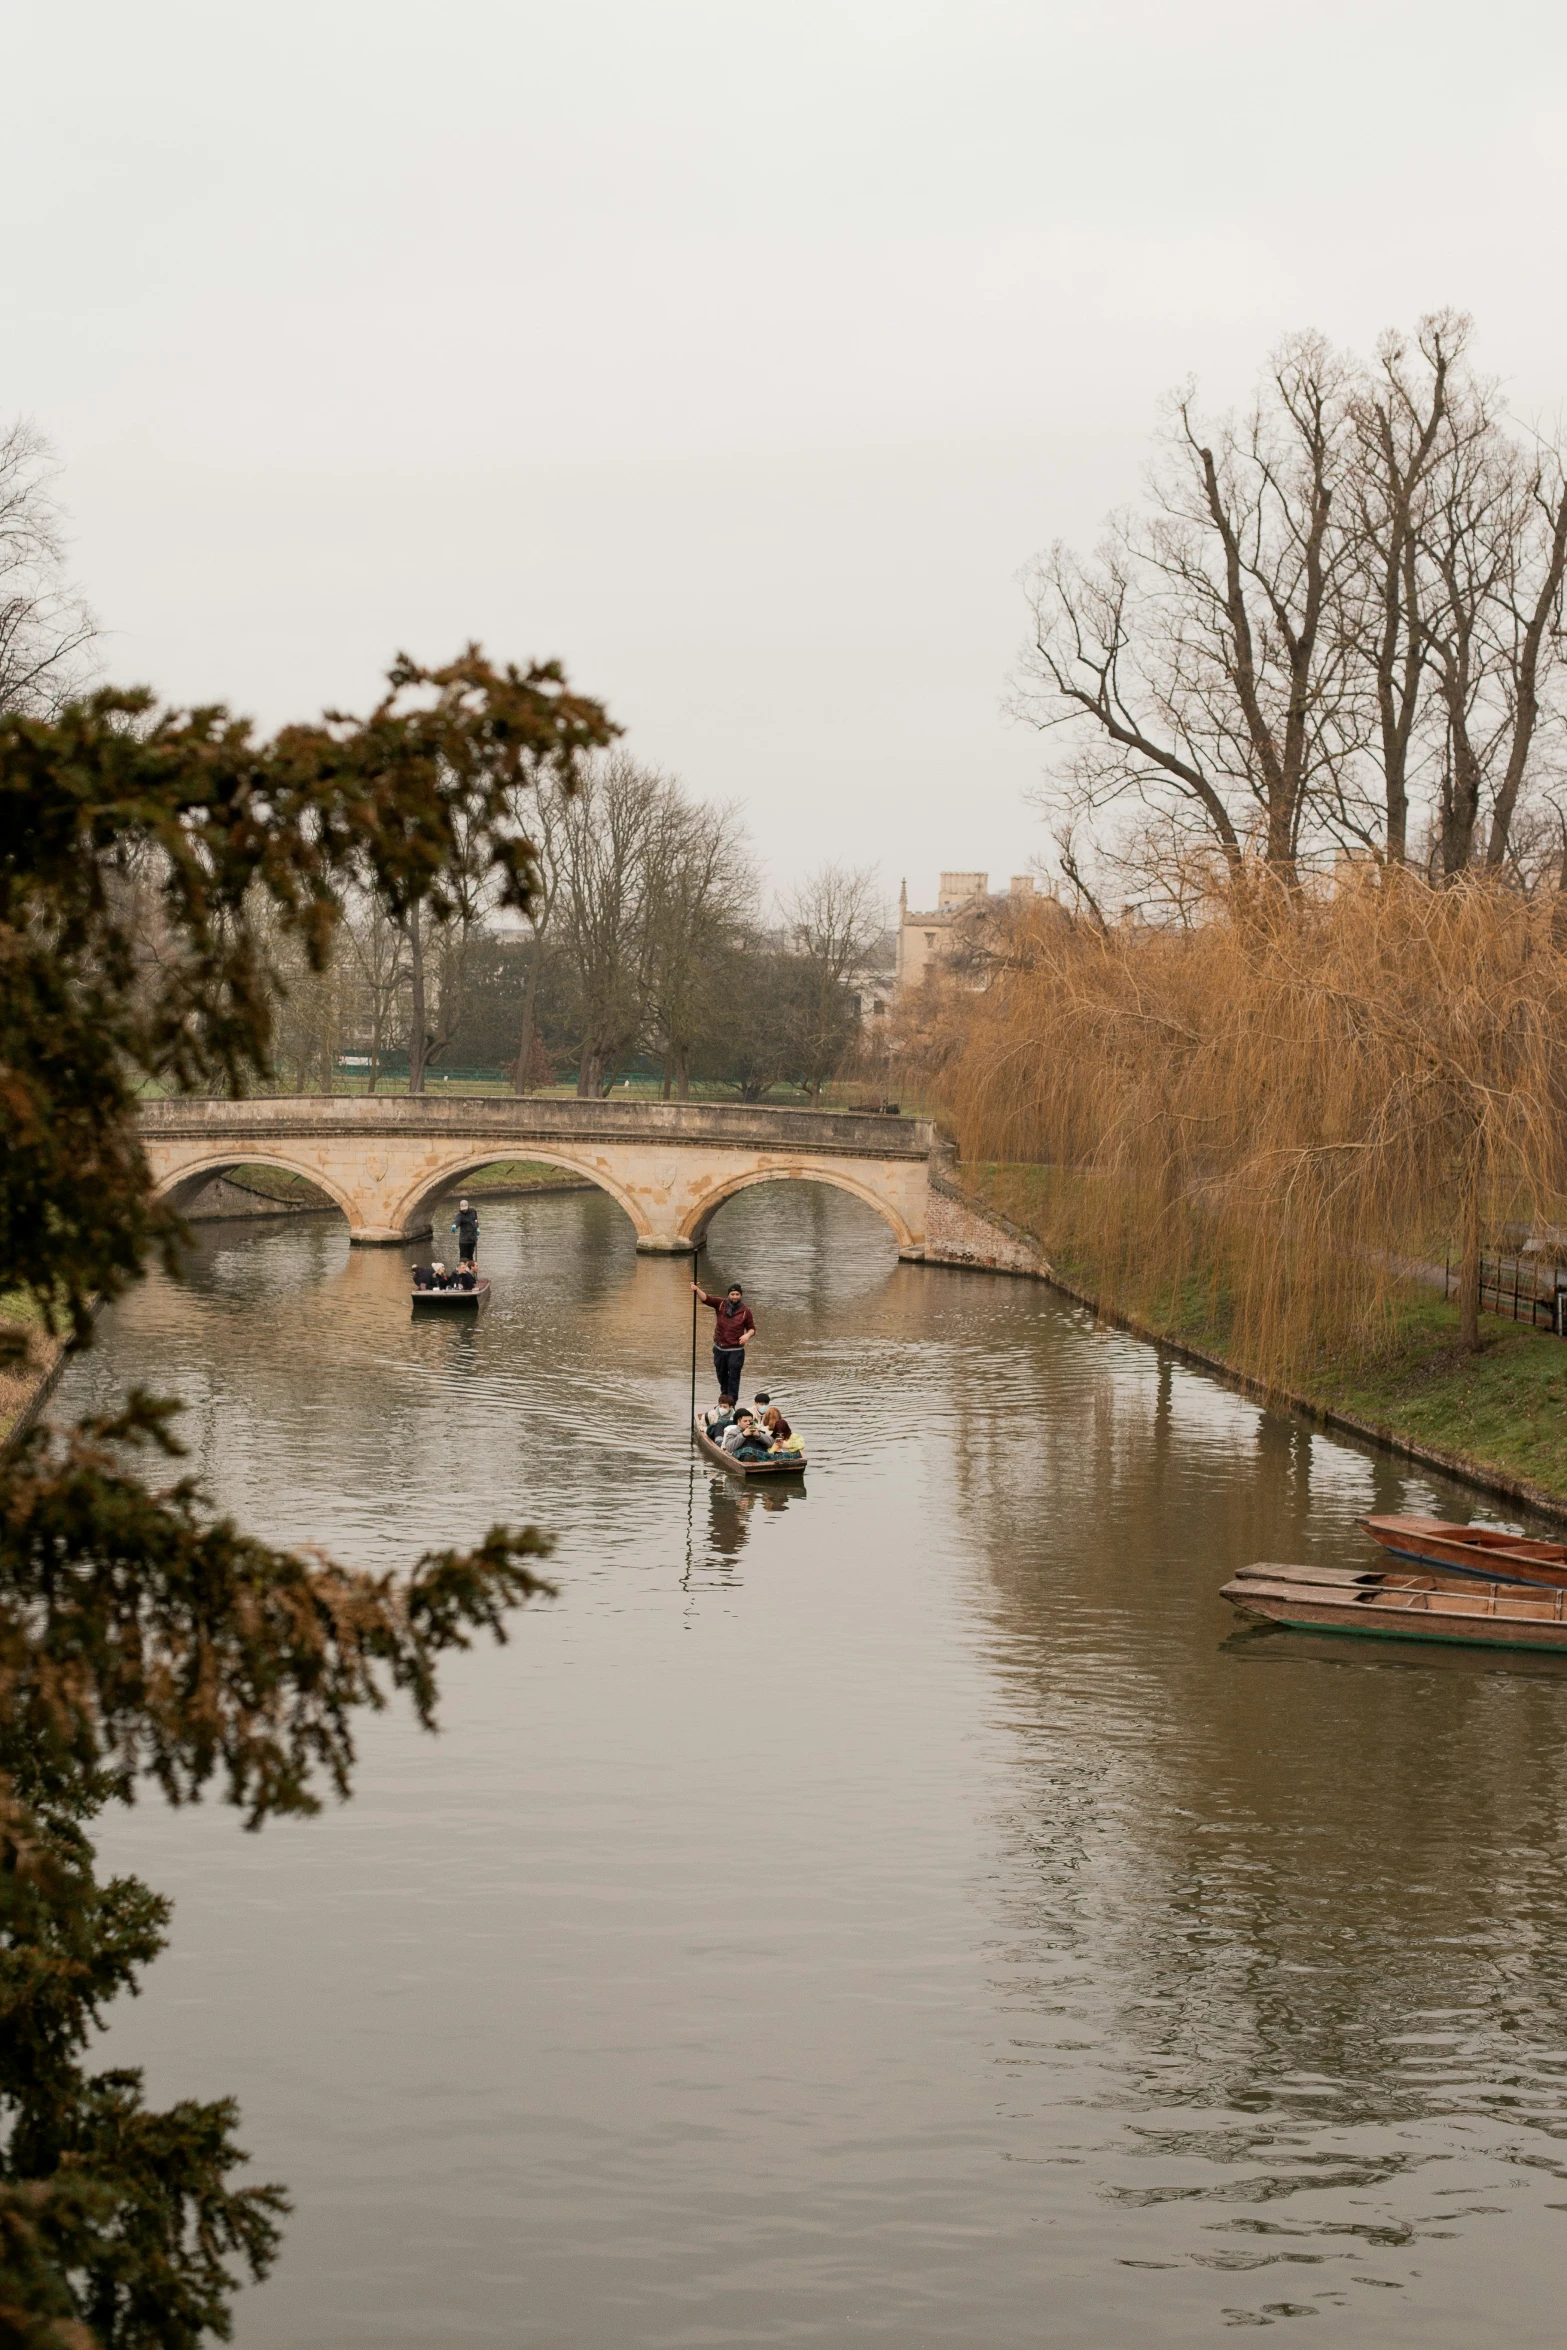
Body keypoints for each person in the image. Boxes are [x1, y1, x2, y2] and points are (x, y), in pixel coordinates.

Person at [693, 1281, 756, 1400]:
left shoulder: (746, 1311)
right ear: (728, 1295)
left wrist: (747, 1336)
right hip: (719, 1348)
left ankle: (732, 1402)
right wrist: (697, 1290)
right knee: (721, 1375)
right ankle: (724, 1397)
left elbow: (752, 1329)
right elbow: (706, 1299)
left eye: (737, 1294)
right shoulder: (721, 1304)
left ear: (740, 1295)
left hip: (735, 1350)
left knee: (733, 1377)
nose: (735, 1297)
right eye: (733, 1294)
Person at [452, 1197, 480, 1267]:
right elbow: (457, 1221)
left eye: (465, 1209)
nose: (464, 1211)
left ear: (468, 1206)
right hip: (464, 1240)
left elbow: (476, 1220)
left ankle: (470, 1270)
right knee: (463, 1258)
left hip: (472, 1238)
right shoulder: (459, 1215)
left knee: (470, 1256)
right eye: (463, 1209)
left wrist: (477, 1228)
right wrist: (454, 1226)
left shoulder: (473, 1211)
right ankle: (462, 1270)